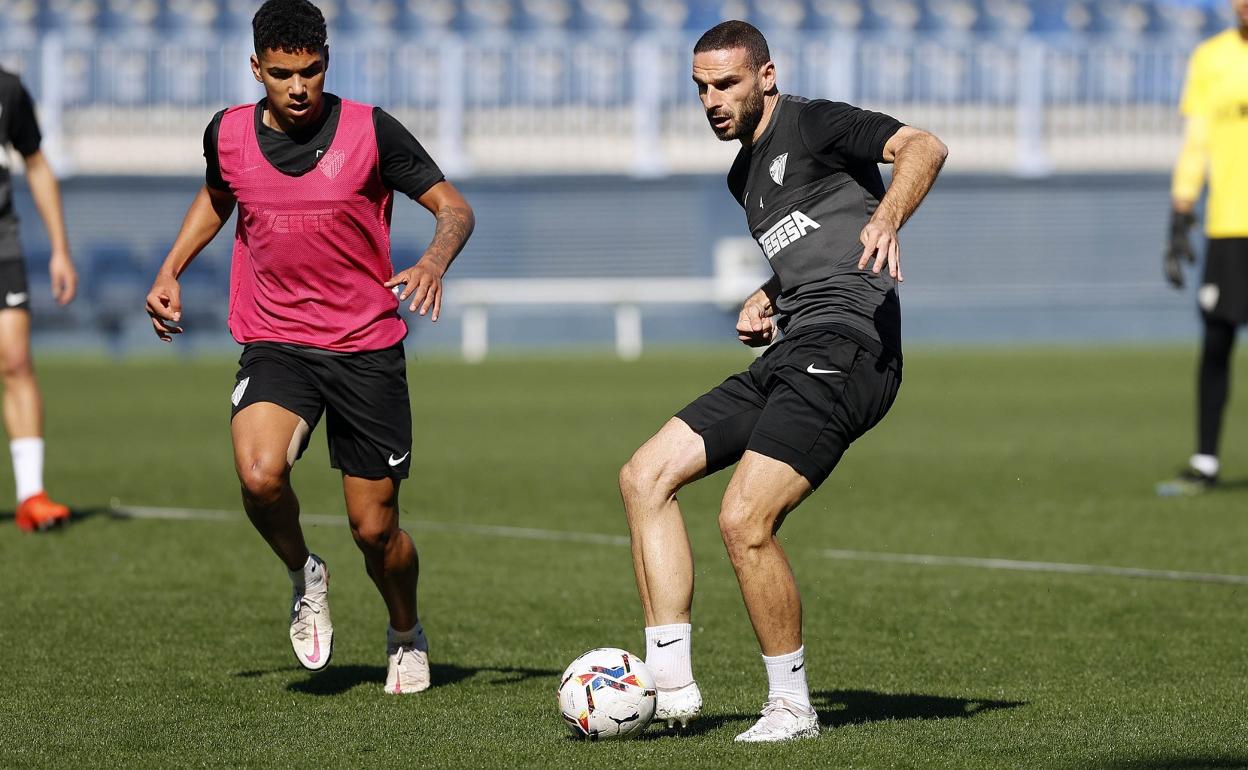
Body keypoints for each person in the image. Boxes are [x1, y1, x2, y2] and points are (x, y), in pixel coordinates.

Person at [619, 21, 946, 742]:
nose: (712, 99)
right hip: (796, 348)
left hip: (851, 345)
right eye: (701, 87)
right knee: (645, 476)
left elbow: (924, 147)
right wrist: (771, 291)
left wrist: (890, 215)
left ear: (766, 76)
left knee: (743, 520)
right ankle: (669, 688)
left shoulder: (816, 123)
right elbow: (813, 242)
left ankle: (792, 708)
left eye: (727, 83)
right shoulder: (744, 174)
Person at [143, 0, 474, 694]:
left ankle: (406, 632)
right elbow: (217, 196)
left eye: (312, 72)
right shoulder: (227, 133)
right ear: (256, 67)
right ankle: (304, 574)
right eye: (283, 73)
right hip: (277, 342)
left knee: (375, 533)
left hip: (365, 348)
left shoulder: (372, 131)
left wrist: (435, 260)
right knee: (260, 475)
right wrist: (171, 267)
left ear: (328, 63)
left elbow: (453, 206)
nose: (299, 88)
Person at [1158, 0, 1248, 496]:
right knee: (1216, 340)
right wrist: (1181, 211)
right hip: (1230, 225)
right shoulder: (1212, 57)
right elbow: (1197, 141)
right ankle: (1206, 460)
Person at [0, 67, 78, 532]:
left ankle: (32, 494)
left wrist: (60, 250)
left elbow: (36, 164)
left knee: (15, 361)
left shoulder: (7, 89)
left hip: (2, 244)